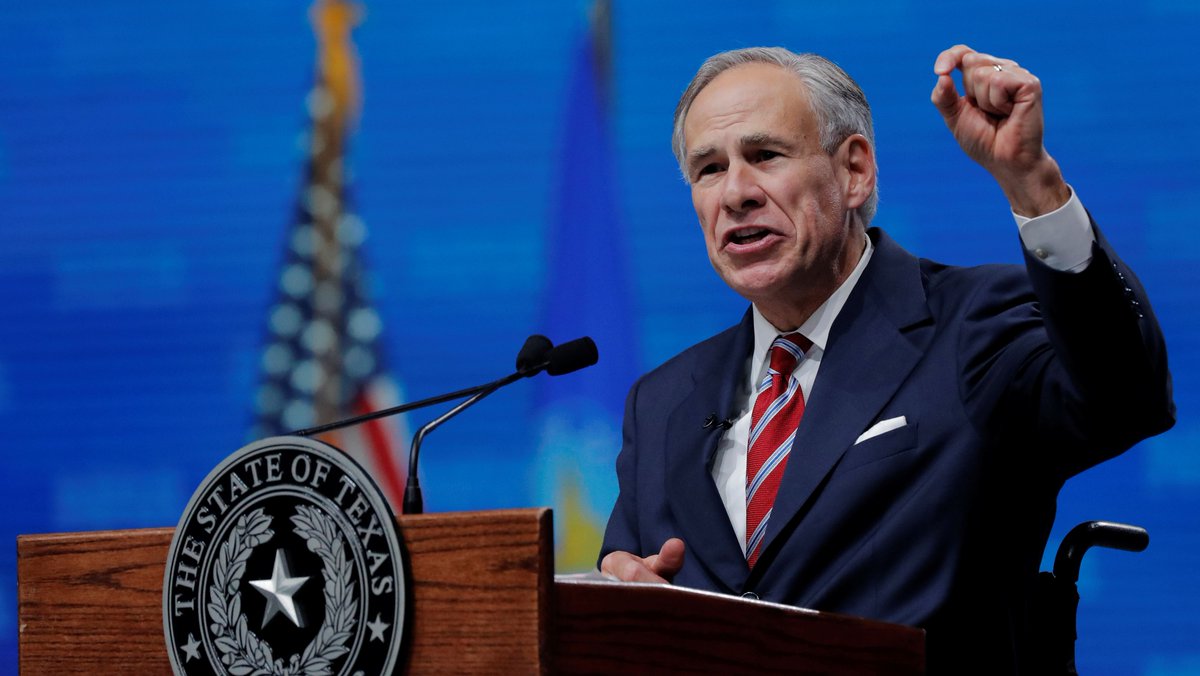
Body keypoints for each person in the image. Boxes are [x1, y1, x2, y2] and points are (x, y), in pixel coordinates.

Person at [598, 44, 1174, 673]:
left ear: (854, 171)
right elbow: (626, 582)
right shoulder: (660, 403)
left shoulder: (971, 324)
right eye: (708, 169)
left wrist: (1033, 184)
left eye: (765, 156)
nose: (735, 192)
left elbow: (1125, 397)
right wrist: (618, 598)